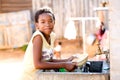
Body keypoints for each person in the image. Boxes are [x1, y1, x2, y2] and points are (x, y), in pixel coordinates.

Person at [20, 7, 76, 80]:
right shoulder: (38, 37)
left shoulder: (52, 36)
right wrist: (64, 65)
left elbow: (49, 60)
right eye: (43, 22)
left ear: (54, 22)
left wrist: (67, 60)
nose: (47, 24)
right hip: (31, 76)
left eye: (50, 21)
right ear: (37, 25)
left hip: (41, 75)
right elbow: (38, 64)